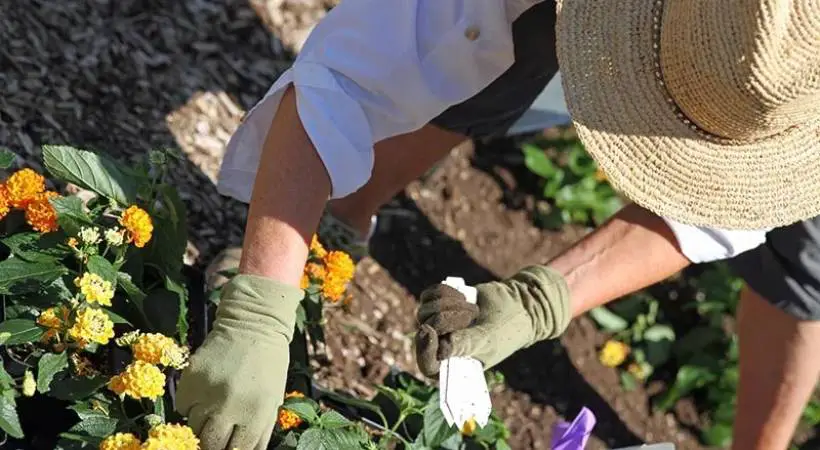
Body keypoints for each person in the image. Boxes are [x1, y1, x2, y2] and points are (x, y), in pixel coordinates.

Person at [173, 0, 820, 449]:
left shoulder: (794, 79)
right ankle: (334, 224)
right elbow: (346, 73)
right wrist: (261, 307)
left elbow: (728, 213)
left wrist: (541, 301)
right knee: (498, 39)